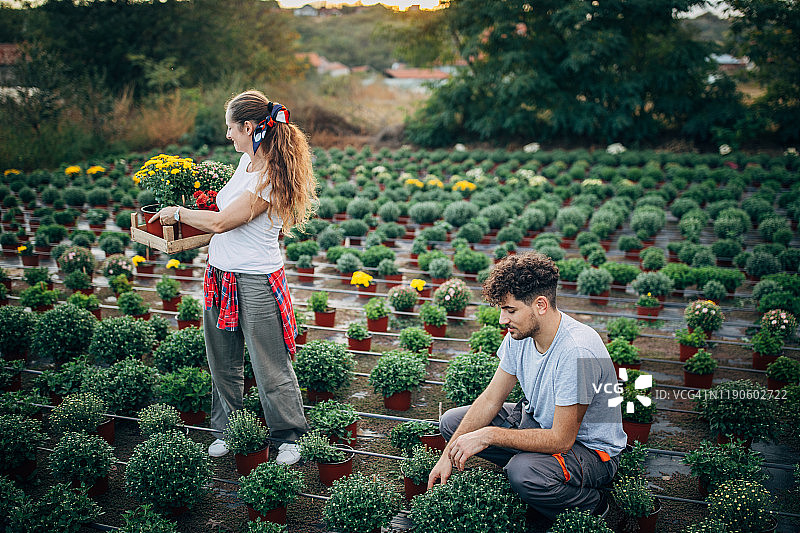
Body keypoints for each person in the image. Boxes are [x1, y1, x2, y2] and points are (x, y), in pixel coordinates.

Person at [149, 90, 316, 464]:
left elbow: (224, 221)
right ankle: (228, 429)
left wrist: (178, 212)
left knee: (269, 363)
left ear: (250, 126)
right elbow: (221, 220)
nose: (228, 136)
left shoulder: (273, 175)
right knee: (222, 361)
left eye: (231, 128)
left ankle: (288, 436)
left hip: (256, 278)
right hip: (221, 274)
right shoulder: (246, 163)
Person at [428, 251, 627, 520]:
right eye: (502, 310)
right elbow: (490, 399)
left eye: (510, 310)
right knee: (453, 424)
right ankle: (537, 472)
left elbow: (562, 440)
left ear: (541, 305)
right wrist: (447, 455)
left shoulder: (577, 351)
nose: (502, 319)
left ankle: (596, 506)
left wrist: (488, 435)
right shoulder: (519, 336)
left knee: (523, 473)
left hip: (590, 452)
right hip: (541, 424)